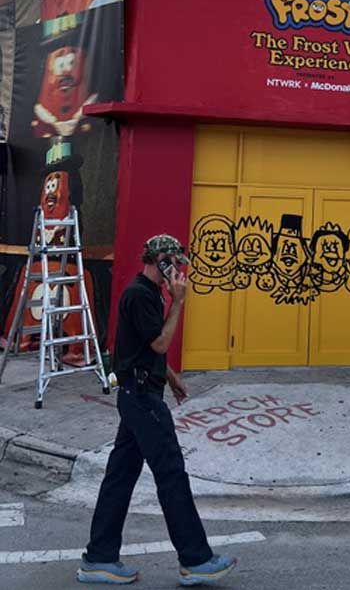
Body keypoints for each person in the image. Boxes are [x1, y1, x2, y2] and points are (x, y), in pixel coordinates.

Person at [78, 235, 238, 586]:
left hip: (139, 393)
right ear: (161, 260)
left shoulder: (149, 293)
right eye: (174, 263)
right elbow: (161, 342)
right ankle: (195, 560)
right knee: (171, 473)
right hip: (142, 399)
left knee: (120, 477)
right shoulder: (140, 295)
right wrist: (179, 302)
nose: (178, 270)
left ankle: (99, 558)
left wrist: (171, 376)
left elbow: (145, 348)